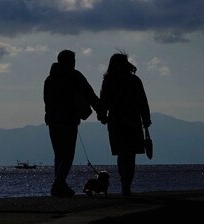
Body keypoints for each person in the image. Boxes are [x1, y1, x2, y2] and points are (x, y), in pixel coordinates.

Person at [43, 49, 102, 197]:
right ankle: (58, 184)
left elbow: (47, 102)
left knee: (59, 155)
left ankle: (60, 185)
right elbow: (90, 94)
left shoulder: (50, 79)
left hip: (53, 122)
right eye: (73, 61)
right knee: (68, 155)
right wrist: (101, 110)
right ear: (69, 62)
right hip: (68, 121)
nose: (74, 64)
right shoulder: (75, 76)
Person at [97, 52, 152, 196]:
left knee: (122, 154)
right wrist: (146, 119)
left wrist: (102, 115)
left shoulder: (108, 80)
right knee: (131, 155)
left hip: (116, 121)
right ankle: (127, 183)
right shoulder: (134, 80)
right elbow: (142, 102)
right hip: (133, 120)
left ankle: (124, 182)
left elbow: (103, 101)